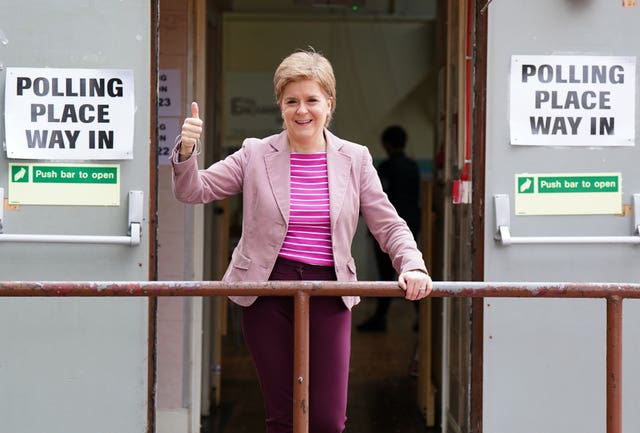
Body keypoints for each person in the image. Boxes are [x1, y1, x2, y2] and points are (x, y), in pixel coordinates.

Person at [170, 49, 432, 433]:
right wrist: (187, 149)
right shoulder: (255, 153)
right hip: (265, 292)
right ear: (280, 105)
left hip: (329, 289)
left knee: (327, 420)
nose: (302, 110)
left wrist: (411, 263)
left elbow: (388, 223)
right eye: (291, 101)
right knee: (283, 417)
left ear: (330, 103)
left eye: (311, 99)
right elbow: (194, 190)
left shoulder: (355, 159)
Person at [357, 125, 422, 333]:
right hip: (411, 225)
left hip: (386, 230)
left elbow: (376, 203)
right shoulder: (413, 167)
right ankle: (422, 317)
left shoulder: (386, 167)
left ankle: (380, 318)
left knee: (385, 275)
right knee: (410, 274)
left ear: (386, 144)